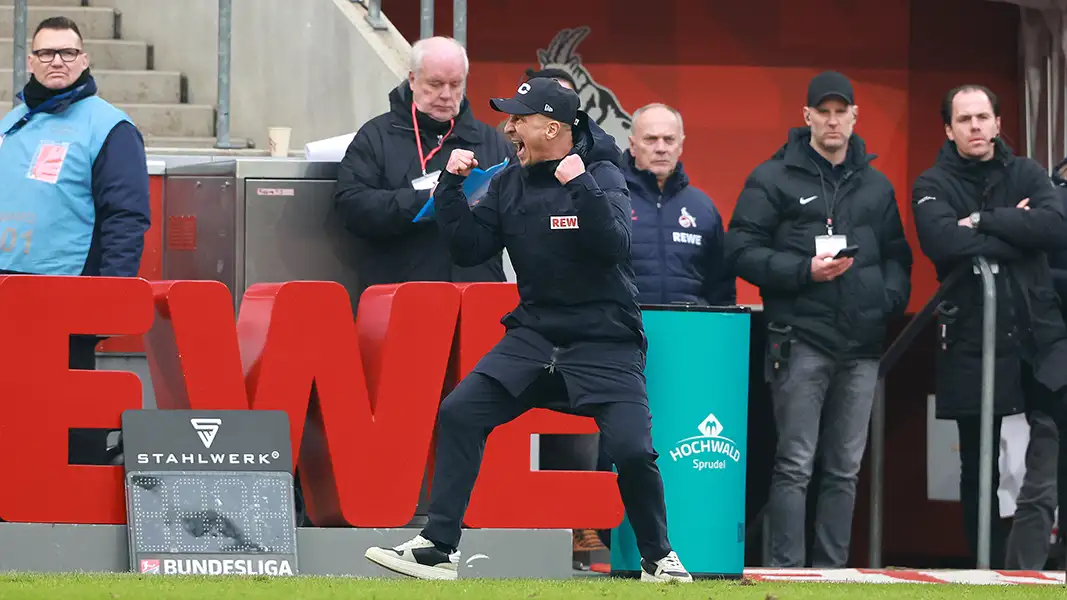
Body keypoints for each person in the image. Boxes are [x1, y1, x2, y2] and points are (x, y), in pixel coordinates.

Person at [363, 77, 692, 583]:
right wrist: (449, 188)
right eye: (509, 116)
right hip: (535, 336)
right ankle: (437, 548)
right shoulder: (507, 181)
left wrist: (578, 184)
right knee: (459, 412)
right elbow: (469, 248)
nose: (509, 126)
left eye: (520, 118)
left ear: (553, 127)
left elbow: (614, 247)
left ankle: (659, 560)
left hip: (605, 340)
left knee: (631, 450)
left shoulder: (601, 174)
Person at [724, 71, 912, 568]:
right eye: (822, 112)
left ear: (854, 116)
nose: (832, 120)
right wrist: (803, 271)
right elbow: (739, 248)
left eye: (840, 111)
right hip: (799, 338)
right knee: (795, 463)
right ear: (806, 117)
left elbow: (898, 255)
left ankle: (832, 573)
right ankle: (788, 570)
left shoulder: (876, 185)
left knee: (845, 468)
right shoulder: (773, 176)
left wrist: (888, 300)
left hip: (862, 345)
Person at [911, 84, 1067, 568]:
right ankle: (988, 569)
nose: (976, 126)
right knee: (978, 468)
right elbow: (942, 244)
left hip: (1040, 334)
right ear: (949, 129)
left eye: (983, 117)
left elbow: (1056, 226)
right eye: (965, 119)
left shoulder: (1028, 172)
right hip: (971, 340)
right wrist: (1016, 232)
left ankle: (1052, 567)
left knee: (1056, 450)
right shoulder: (930, 182)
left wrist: (980, 221)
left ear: (999, 123)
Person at [0, 17, 150, 465]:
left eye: (67, 52)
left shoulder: (109, 127)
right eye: (46, 53)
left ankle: (74, 510)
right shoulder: (13, 123)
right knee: (16, 408)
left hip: (65, 290)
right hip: (9, 289)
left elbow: (126, 216)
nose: (57, 61)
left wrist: (111, 295)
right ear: (30, 61)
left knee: (66, 414)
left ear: (83, 59)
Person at [334, 36, 513, 299]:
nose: (446, 94)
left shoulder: (491, 142)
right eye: (435, 83)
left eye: (455, 85)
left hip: (478, 291)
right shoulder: (377, 136)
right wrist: (425, 200)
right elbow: (351, 206)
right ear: (412, 79)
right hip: (403, 293)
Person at [1002, 155, 1067, 571]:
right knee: (1041, 485)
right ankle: (1019, 584)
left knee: (1040, 485)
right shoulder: (1049, 200)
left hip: (1049, 360)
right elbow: (1036, 277)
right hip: (1052, 363)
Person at [625, 102, 735, 306]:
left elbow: (722, 288)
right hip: (624, 332)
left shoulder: (703, 208)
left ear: (681, 145)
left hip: (689, 331)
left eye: (669, 140)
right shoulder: (609, 201)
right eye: (650, 139)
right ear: (632, 145)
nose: (661, 149)